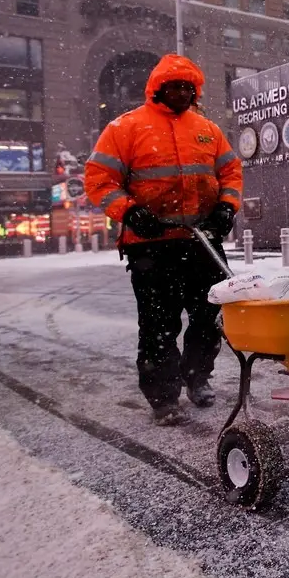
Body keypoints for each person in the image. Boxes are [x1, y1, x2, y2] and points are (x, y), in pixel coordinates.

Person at [85, 54, 243, 426]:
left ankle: (198, 378)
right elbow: (98, 179)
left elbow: (231, 171)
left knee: (209, 317)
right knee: (159, 325)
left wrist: (226, 207)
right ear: (158, 89)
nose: (184, 92)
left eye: (189, 87)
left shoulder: (207, 129)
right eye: (176, 86)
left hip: (201, 241)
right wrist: (129, 211)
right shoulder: (126, 128)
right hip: (150, 247)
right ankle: (162, 396)